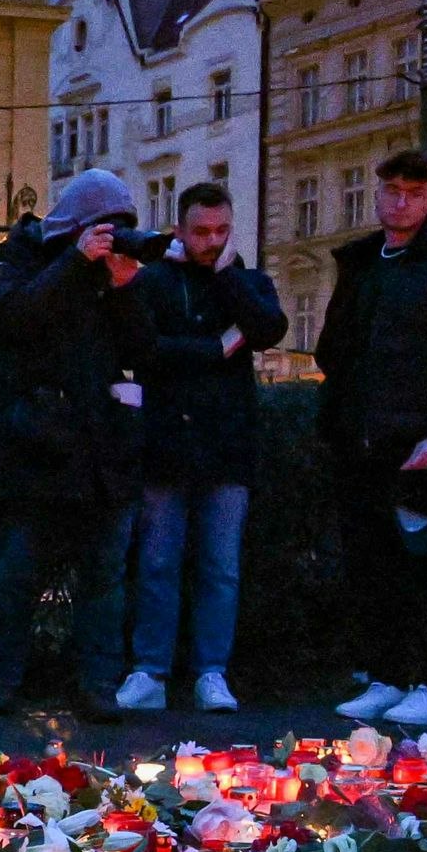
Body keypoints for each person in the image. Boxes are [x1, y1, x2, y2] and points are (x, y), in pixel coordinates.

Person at [312, 149, 427, 728]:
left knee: (425, 567)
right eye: (392, 190)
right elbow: (335, 351)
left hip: (415, 445)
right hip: (362, 440)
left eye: (413, 193)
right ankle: (388, 676)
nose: (400, 201)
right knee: (372, 567)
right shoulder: (363, 263)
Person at [0, 167, 154, 716]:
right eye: (105, 227)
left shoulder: (115, 277)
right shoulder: (14, 258)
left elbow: (144, 350)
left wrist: (124, 290)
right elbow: (15, 320)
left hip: (105, 452)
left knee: (104, 580)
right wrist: (76, 263)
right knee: (16, 575)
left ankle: (97, 687)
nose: (112, 238)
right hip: (39, 447)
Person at [121, 182, 286, 713]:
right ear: (179, 230)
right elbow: (144, 349)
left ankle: (211, 672)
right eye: (201, 232)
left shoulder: (245, 281)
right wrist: (218, 347)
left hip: (226, 444)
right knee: (158, 562)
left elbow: (267, 329)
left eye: (221, 231)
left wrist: (227, 278)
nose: (212, 242)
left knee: (220, 566)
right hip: (167, 440)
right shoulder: (155, 283)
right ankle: (151, 670)